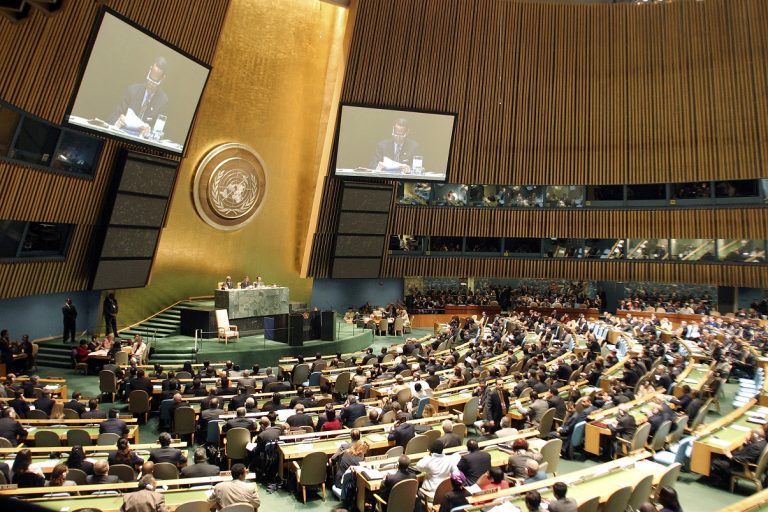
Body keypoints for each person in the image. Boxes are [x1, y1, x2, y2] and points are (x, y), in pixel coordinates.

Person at [111, 57, 169, 139]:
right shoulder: (132, 90)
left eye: (155, 81)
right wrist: (118, 121)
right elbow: (113, 116)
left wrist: (149, 132)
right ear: (149, 70)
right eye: (150, 78)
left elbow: (160, 133)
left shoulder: (163, 101)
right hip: (122, 136)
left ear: (162, 78)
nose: (151, 83)